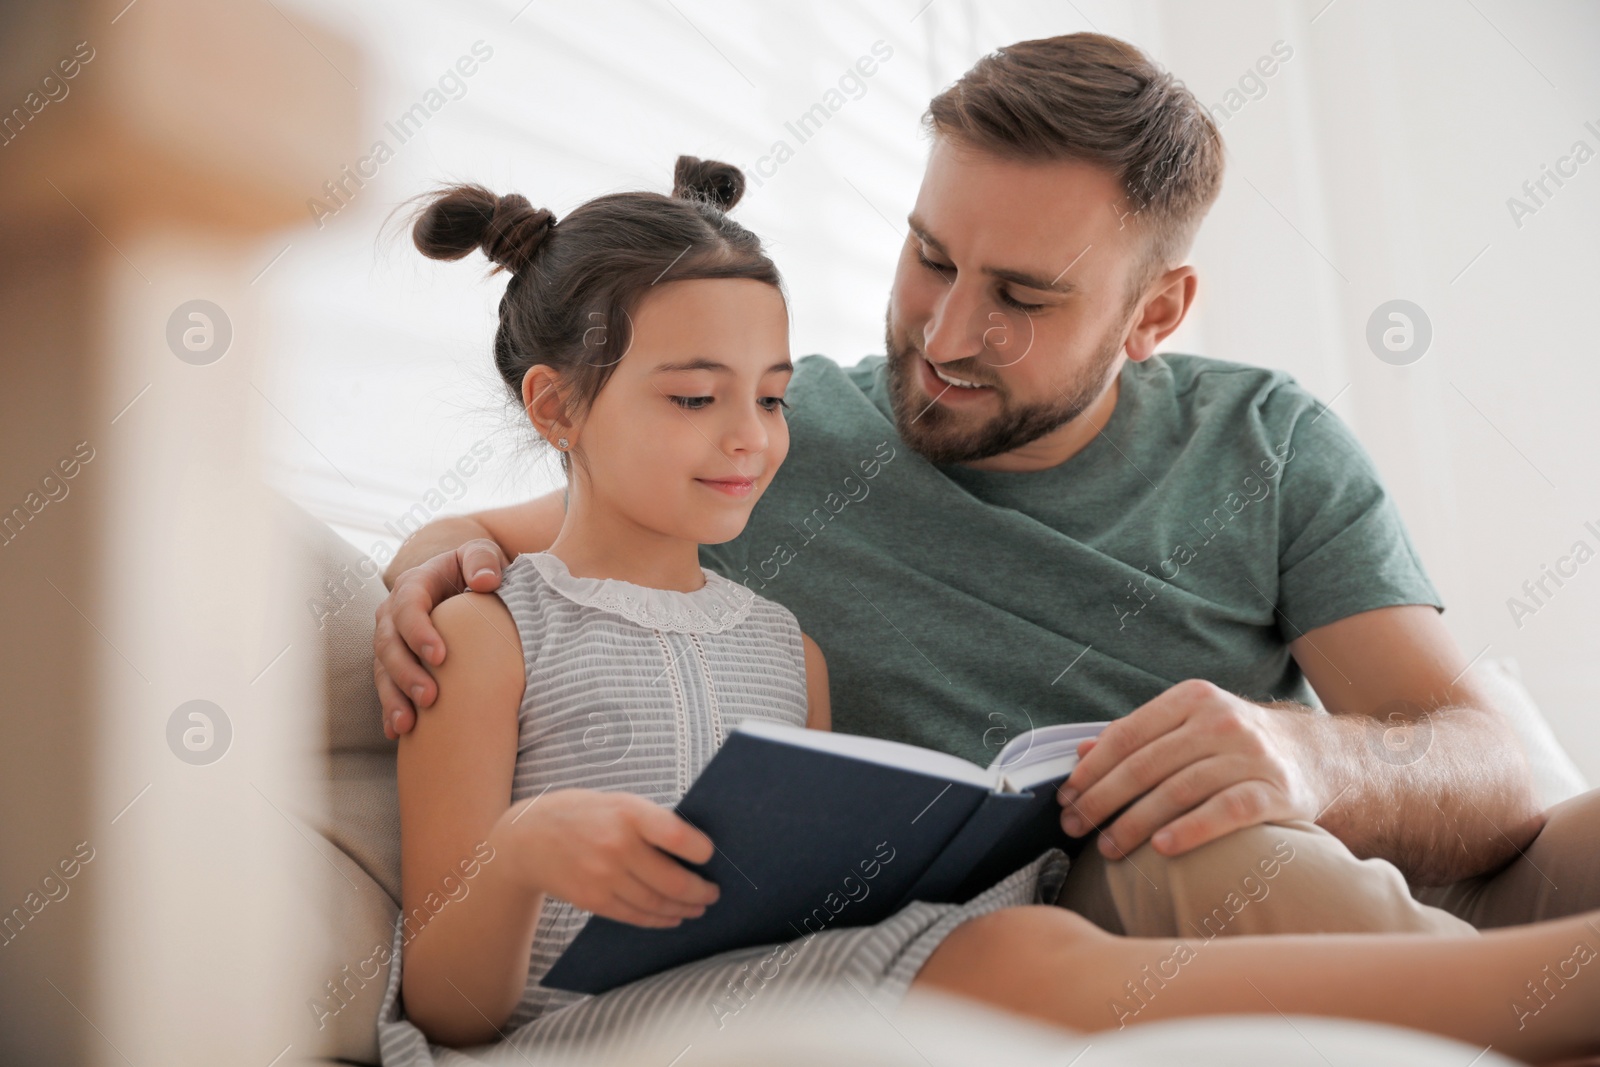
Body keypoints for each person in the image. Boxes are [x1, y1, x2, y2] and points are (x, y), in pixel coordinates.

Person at [374, 33, 1598, 943]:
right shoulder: (769, 440)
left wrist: (1309, 759)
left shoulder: (1264, 442)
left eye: (1022, 295)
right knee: (1229, 861)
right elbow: (514, 534)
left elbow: (1487, 773)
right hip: (1166, 898)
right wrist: (426, 560)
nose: (945, 332)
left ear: (1154, 311)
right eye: (930, 257)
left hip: (1370, 871)